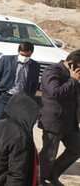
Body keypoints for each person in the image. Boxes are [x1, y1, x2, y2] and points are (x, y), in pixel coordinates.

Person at [0, 42, 40, 148]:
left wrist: (29, 98)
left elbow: (34, 84)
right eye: (22, 54)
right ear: (18, 52)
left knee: (15, 126)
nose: (24, 57)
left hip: (21, 100)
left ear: (31, 53)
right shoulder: (6, 60)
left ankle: (2, 147)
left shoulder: (35, 66)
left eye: (27, 55)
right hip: (4, 96)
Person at [38, 50, 80, 185]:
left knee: (77, 148)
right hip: (53, 122)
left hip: (70, 123)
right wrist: (73, 80)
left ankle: (52, 174)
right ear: (73, 64)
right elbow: (55, 92)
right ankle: (39, 179)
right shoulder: (53, 71)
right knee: (49, 155)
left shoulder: (75, 76)